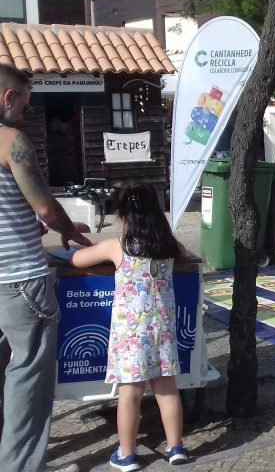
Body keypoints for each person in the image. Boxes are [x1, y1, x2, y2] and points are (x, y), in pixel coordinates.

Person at [0, 63, 91, 472]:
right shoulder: (11, 141)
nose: (26, 114)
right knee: (28, 380)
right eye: (26, 105)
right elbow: (44, 206)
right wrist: (66, 228)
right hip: (19, 279)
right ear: (9, 97)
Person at [67, 183, 188, 470]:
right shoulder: (168, 245)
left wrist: (76, 246)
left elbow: (76, 260)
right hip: (164, 329)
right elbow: (184, 252)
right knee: (167, 389)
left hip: (132, 333)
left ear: (124, 216)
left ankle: (127, 454)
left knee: (129, 393)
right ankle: (176, 448)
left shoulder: (117, 245)